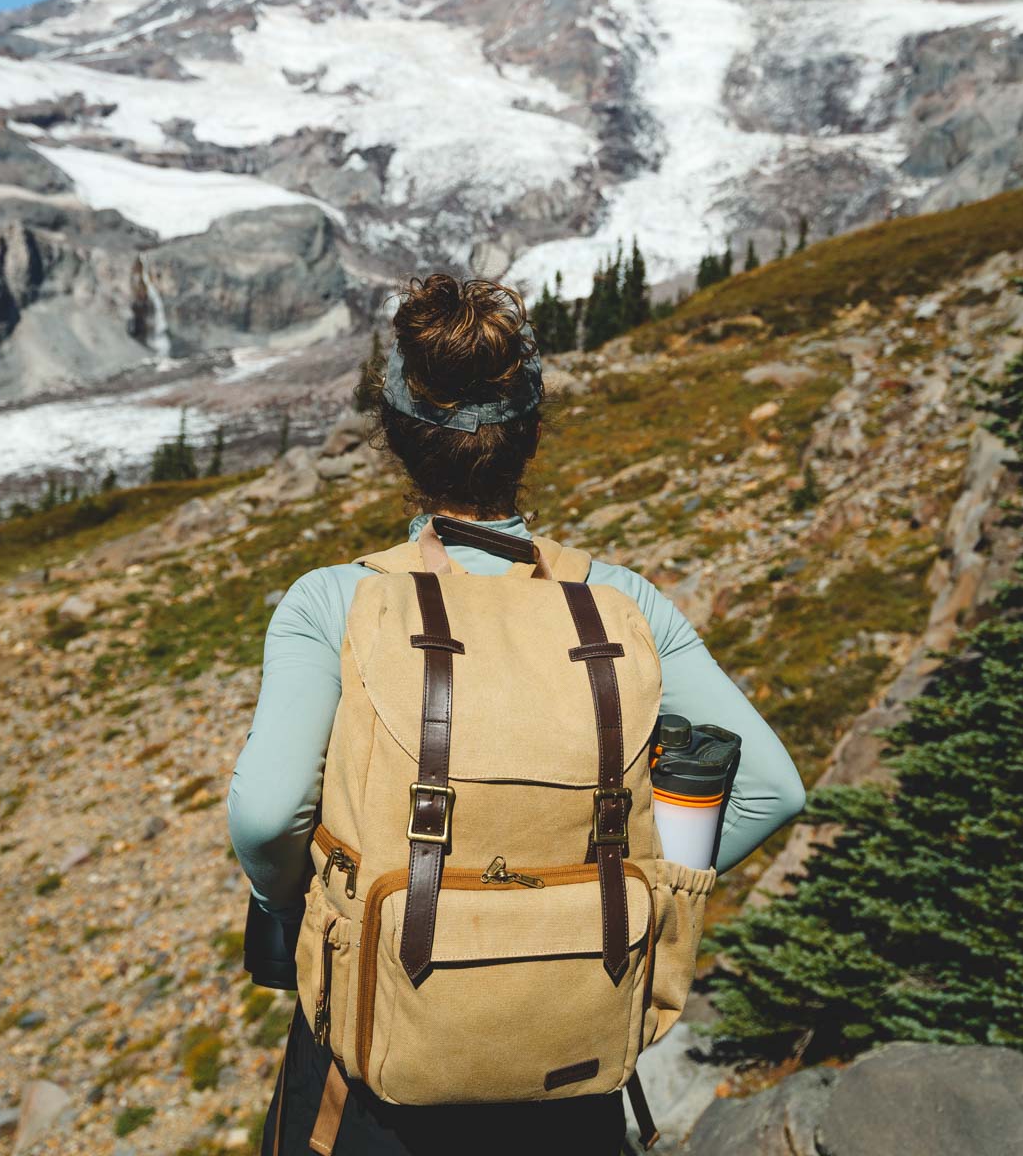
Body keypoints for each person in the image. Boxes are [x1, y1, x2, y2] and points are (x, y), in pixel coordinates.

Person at [228, 274, 805, 1154]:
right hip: (569, 1064)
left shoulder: (334, 601)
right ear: (531, 435)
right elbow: (771, 786)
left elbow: (267, 813)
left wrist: (296, 906)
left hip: (377, 1080)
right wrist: (614, 900)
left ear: (395, 437)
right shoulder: (621, 601)